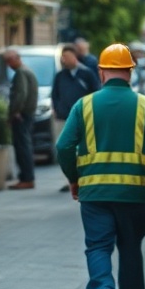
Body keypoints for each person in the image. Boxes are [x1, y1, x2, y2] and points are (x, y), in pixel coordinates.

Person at [57, 43, 145, 289]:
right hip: (133, 195)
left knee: (97, 247)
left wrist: (74, 178)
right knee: (131, 251)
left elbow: (63, 146)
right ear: (131, 73)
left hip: (94, 194)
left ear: (101, 71)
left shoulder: (83, 106)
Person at [50, 45, 100, 192]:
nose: (64, 60)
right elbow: (55, 95)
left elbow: (95, 93)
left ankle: (86, 176)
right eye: (62, 57)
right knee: (66, 148)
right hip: (64, 117)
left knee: (84, 148)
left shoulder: (87, 74)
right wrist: (57, 110)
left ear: (75, 57)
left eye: (67, 56)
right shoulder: (60, 76)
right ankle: (71, 178)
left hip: (84, 118)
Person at [5, 49, 39, 190]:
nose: (8, 64)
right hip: (27, 114)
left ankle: (26, 178)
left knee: (22, 146)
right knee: (24, 145)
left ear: (16, 58)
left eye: (9, 60)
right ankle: (26, 177)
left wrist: (15, 111)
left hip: (22, 115)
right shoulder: (27, 71)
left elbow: (21, 93)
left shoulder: (21, 73)